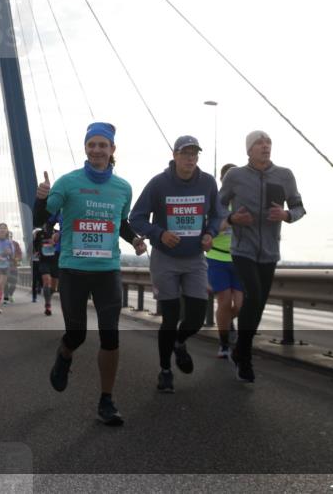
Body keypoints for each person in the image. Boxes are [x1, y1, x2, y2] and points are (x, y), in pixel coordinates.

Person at [34, 122, 146, 426]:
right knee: (78, 334)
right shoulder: (68, 183)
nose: (97, 150)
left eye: (103, 145)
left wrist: (135, 239)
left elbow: (121, 223)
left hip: (107, 270)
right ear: (86, 148)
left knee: (110, 337)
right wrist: (42, 197)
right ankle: (65, 353)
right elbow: (44, 218)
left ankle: (106, 400)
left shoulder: (123, 187)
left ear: (111, 150)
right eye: (92, 145)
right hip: (73, 270)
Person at [129, 135, 223, 393]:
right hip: (165, 259)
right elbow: (135, 218)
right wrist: (158, 233)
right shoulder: (159, 184)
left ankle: (180, 343)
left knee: (195, 315)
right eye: (185, 153)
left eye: (194, 153)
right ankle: (165, 370)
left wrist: (210, 233)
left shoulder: (207, 183)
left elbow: (217, 215)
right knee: (170, 318)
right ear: (175, 155)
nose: (190, 158)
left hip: (194, 259)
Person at [219, 131, 305, 383]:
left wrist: (287, 215)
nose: (265, 146)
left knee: (257, 306)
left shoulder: (285, 175)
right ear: (249, 150)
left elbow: (299, 208)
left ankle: (240, 351)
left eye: (268, 142)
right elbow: (218, 206)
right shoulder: (235, 176)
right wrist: (233, 219)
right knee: (253, 296)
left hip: (269, 252)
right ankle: (244, 357)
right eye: (259, 143)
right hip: (243, 249)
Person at [207, 163, 242, 358]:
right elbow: (210, 227)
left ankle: (227, 322)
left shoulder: (244, 202)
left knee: (239, 305)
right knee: (224, 300)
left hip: (240, 258)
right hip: (217, 257)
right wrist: (228, 221)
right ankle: (224, 344)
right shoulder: (216, 202)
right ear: (223, 180)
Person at [34, 217, 61, 316]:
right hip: (44, 261)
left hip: (55, 261)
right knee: (46, 280)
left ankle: (47, 296)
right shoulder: (38, 234)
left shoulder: (58, 232)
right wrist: (36, 251)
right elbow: (34, 245)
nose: (46, 225)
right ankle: (48, 305)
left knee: (54, 288)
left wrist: (55, 242)